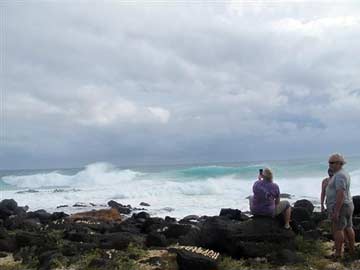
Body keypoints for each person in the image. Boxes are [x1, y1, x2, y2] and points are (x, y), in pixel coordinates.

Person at [326, 153, 355, 258]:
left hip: (342, 206)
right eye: (329, 162)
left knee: (338, 229)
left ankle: (338, 254)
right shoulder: (342, 173)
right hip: (348, 204)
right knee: (348, 227)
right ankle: (352, 250)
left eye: (332, 162)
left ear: (339, 163)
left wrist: (336, 211)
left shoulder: (340, 175)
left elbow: (340, 193)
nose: (329, 165)